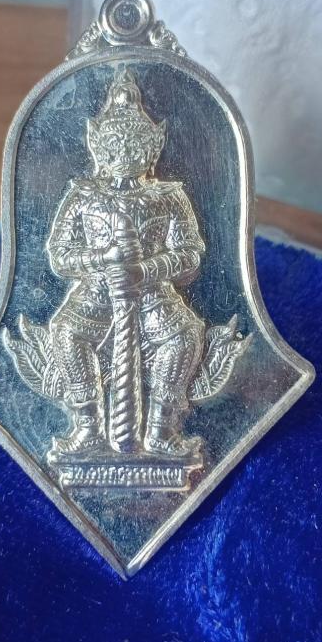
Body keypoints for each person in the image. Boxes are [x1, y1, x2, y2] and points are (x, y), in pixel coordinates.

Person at [47, 67, 205, 457]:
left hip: (152, 293)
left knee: (185, 335)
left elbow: (189, 254)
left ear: (154, 146)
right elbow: (60, 254)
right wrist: (102, 259)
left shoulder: (169, 197)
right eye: (115, 146)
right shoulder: (83, 196)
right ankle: (88, 427)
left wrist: (145, 270)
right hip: (97, 291)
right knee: (66, 332)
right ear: (96, 144)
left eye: (135, 146)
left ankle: (162, 429)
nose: (124, 156)